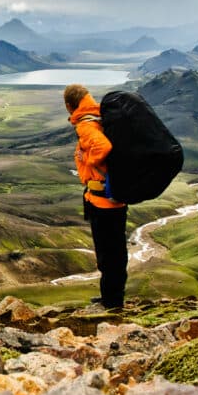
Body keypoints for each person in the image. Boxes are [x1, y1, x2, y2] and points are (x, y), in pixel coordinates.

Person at [64, 83, 128, 310]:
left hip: (104, 201)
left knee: (108, 253)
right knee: (114, 250)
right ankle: (111, 296)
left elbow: (102, 146)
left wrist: (89, 161)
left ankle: (113, 302)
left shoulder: (87, 125)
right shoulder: (98, 117)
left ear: (70, 106)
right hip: (111, 197)